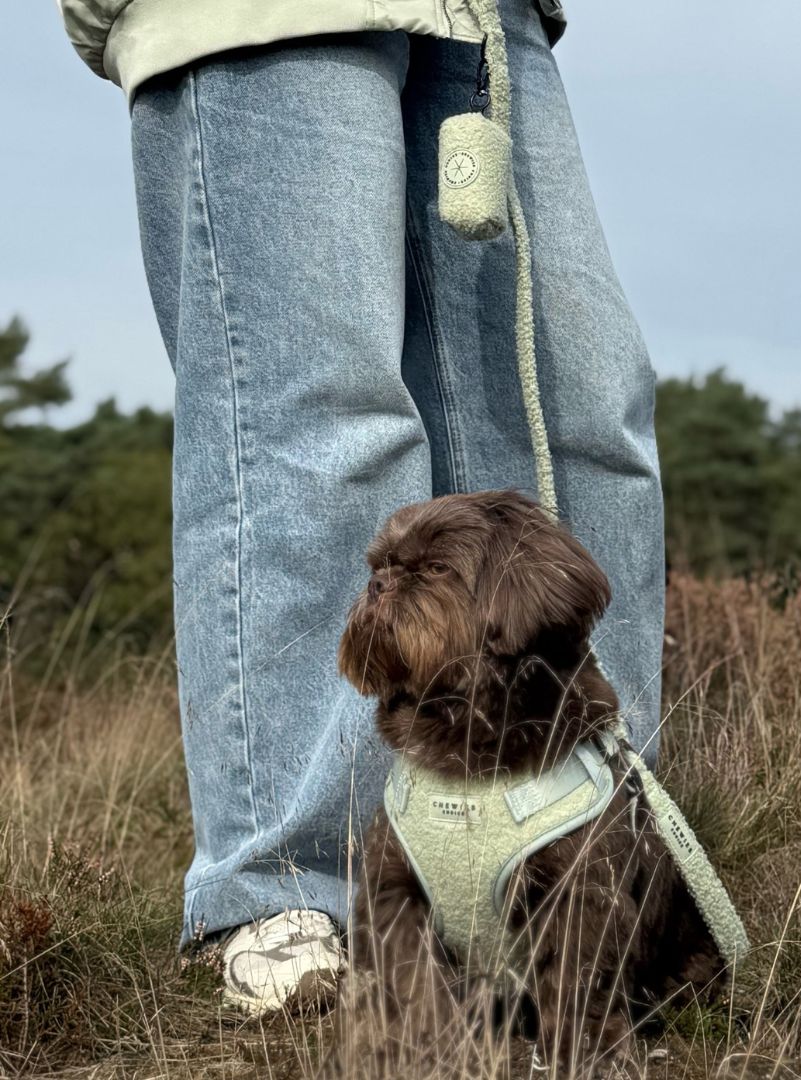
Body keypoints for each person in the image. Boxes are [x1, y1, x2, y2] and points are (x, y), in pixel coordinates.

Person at [58, 0, 666, 1015]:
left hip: (488, 12)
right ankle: (298, 889)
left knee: (585, 419)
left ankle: (577, 865)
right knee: (319, 423)